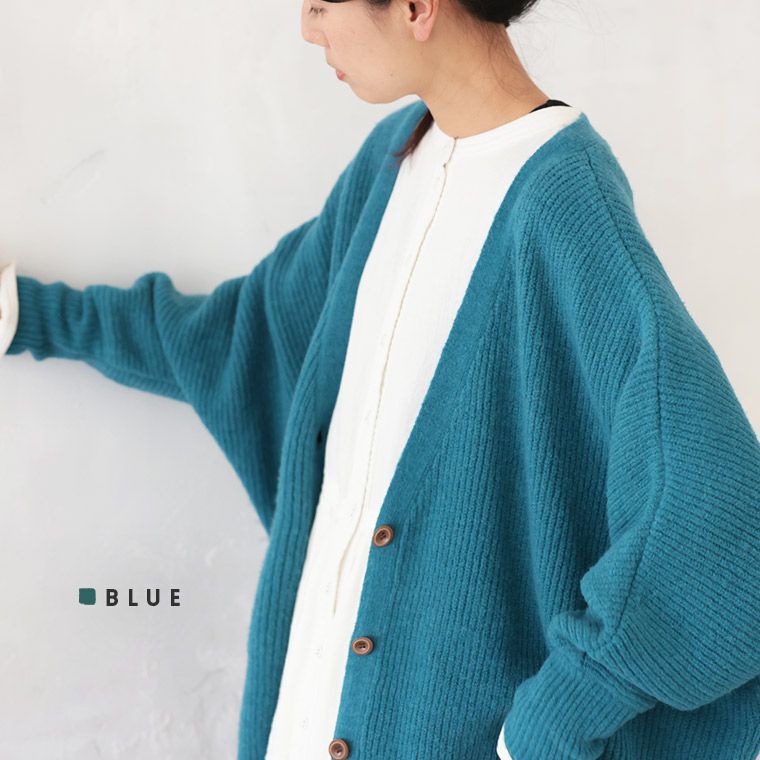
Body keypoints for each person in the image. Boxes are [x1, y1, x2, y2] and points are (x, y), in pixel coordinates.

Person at [2, 1, 759, 759]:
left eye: (320, 4)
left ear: (417, 7)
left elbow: (724, 535)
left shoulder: (567, 210)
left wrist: (548, 727)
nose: (308, 27)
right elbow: (244, 338)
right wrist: (28, 314)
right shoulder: (394, 161)